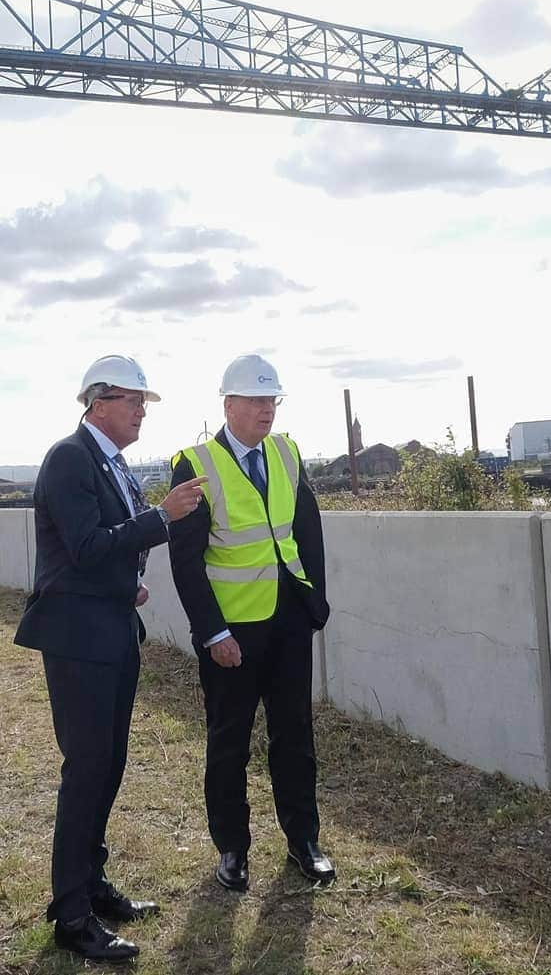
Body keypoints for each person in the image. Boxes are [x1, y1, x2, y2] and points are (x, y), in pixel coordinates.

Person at [15, 355, 207, 962]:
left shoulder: (112, 462)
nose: (140, 411)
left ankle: (91, 886)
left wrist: (129, 587)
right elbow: (88, 545)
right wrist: (162, 517)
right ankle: (71, 914)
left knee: (110, 764)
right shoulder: (70, 457)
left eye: (143, 402)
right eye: (132, 400)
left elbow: (103, 554)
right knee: (88, 769)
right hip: (79, 640)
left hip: (111, 630)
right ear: (97, 402)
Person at [167, 354, 333, 893]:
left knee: (294, 733)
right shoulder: (195, 463)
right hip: (233, 632)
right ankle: (233, 848)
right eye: (257, 401)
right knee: (228, 738)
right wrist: (211, 632)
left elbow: (306, 528)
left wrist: (316, 601)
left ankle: (303, 840)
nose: (267, 411)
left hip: (287, 620)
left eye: (272, 401)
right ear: (229, 404)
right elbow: (186, 560)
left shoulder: (286, 452)